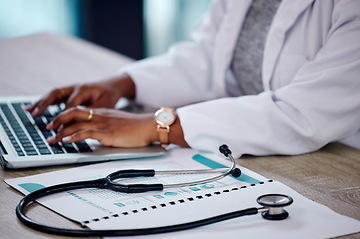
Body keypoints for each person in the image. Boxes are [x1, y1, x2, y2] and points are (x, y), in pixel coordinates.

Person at [26, 0, 360, 158]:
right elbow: (209, 55)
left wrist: (155, 126)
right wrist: (123, 84)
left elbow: (302, 114)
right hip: (260, 156)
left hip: (336, 165)